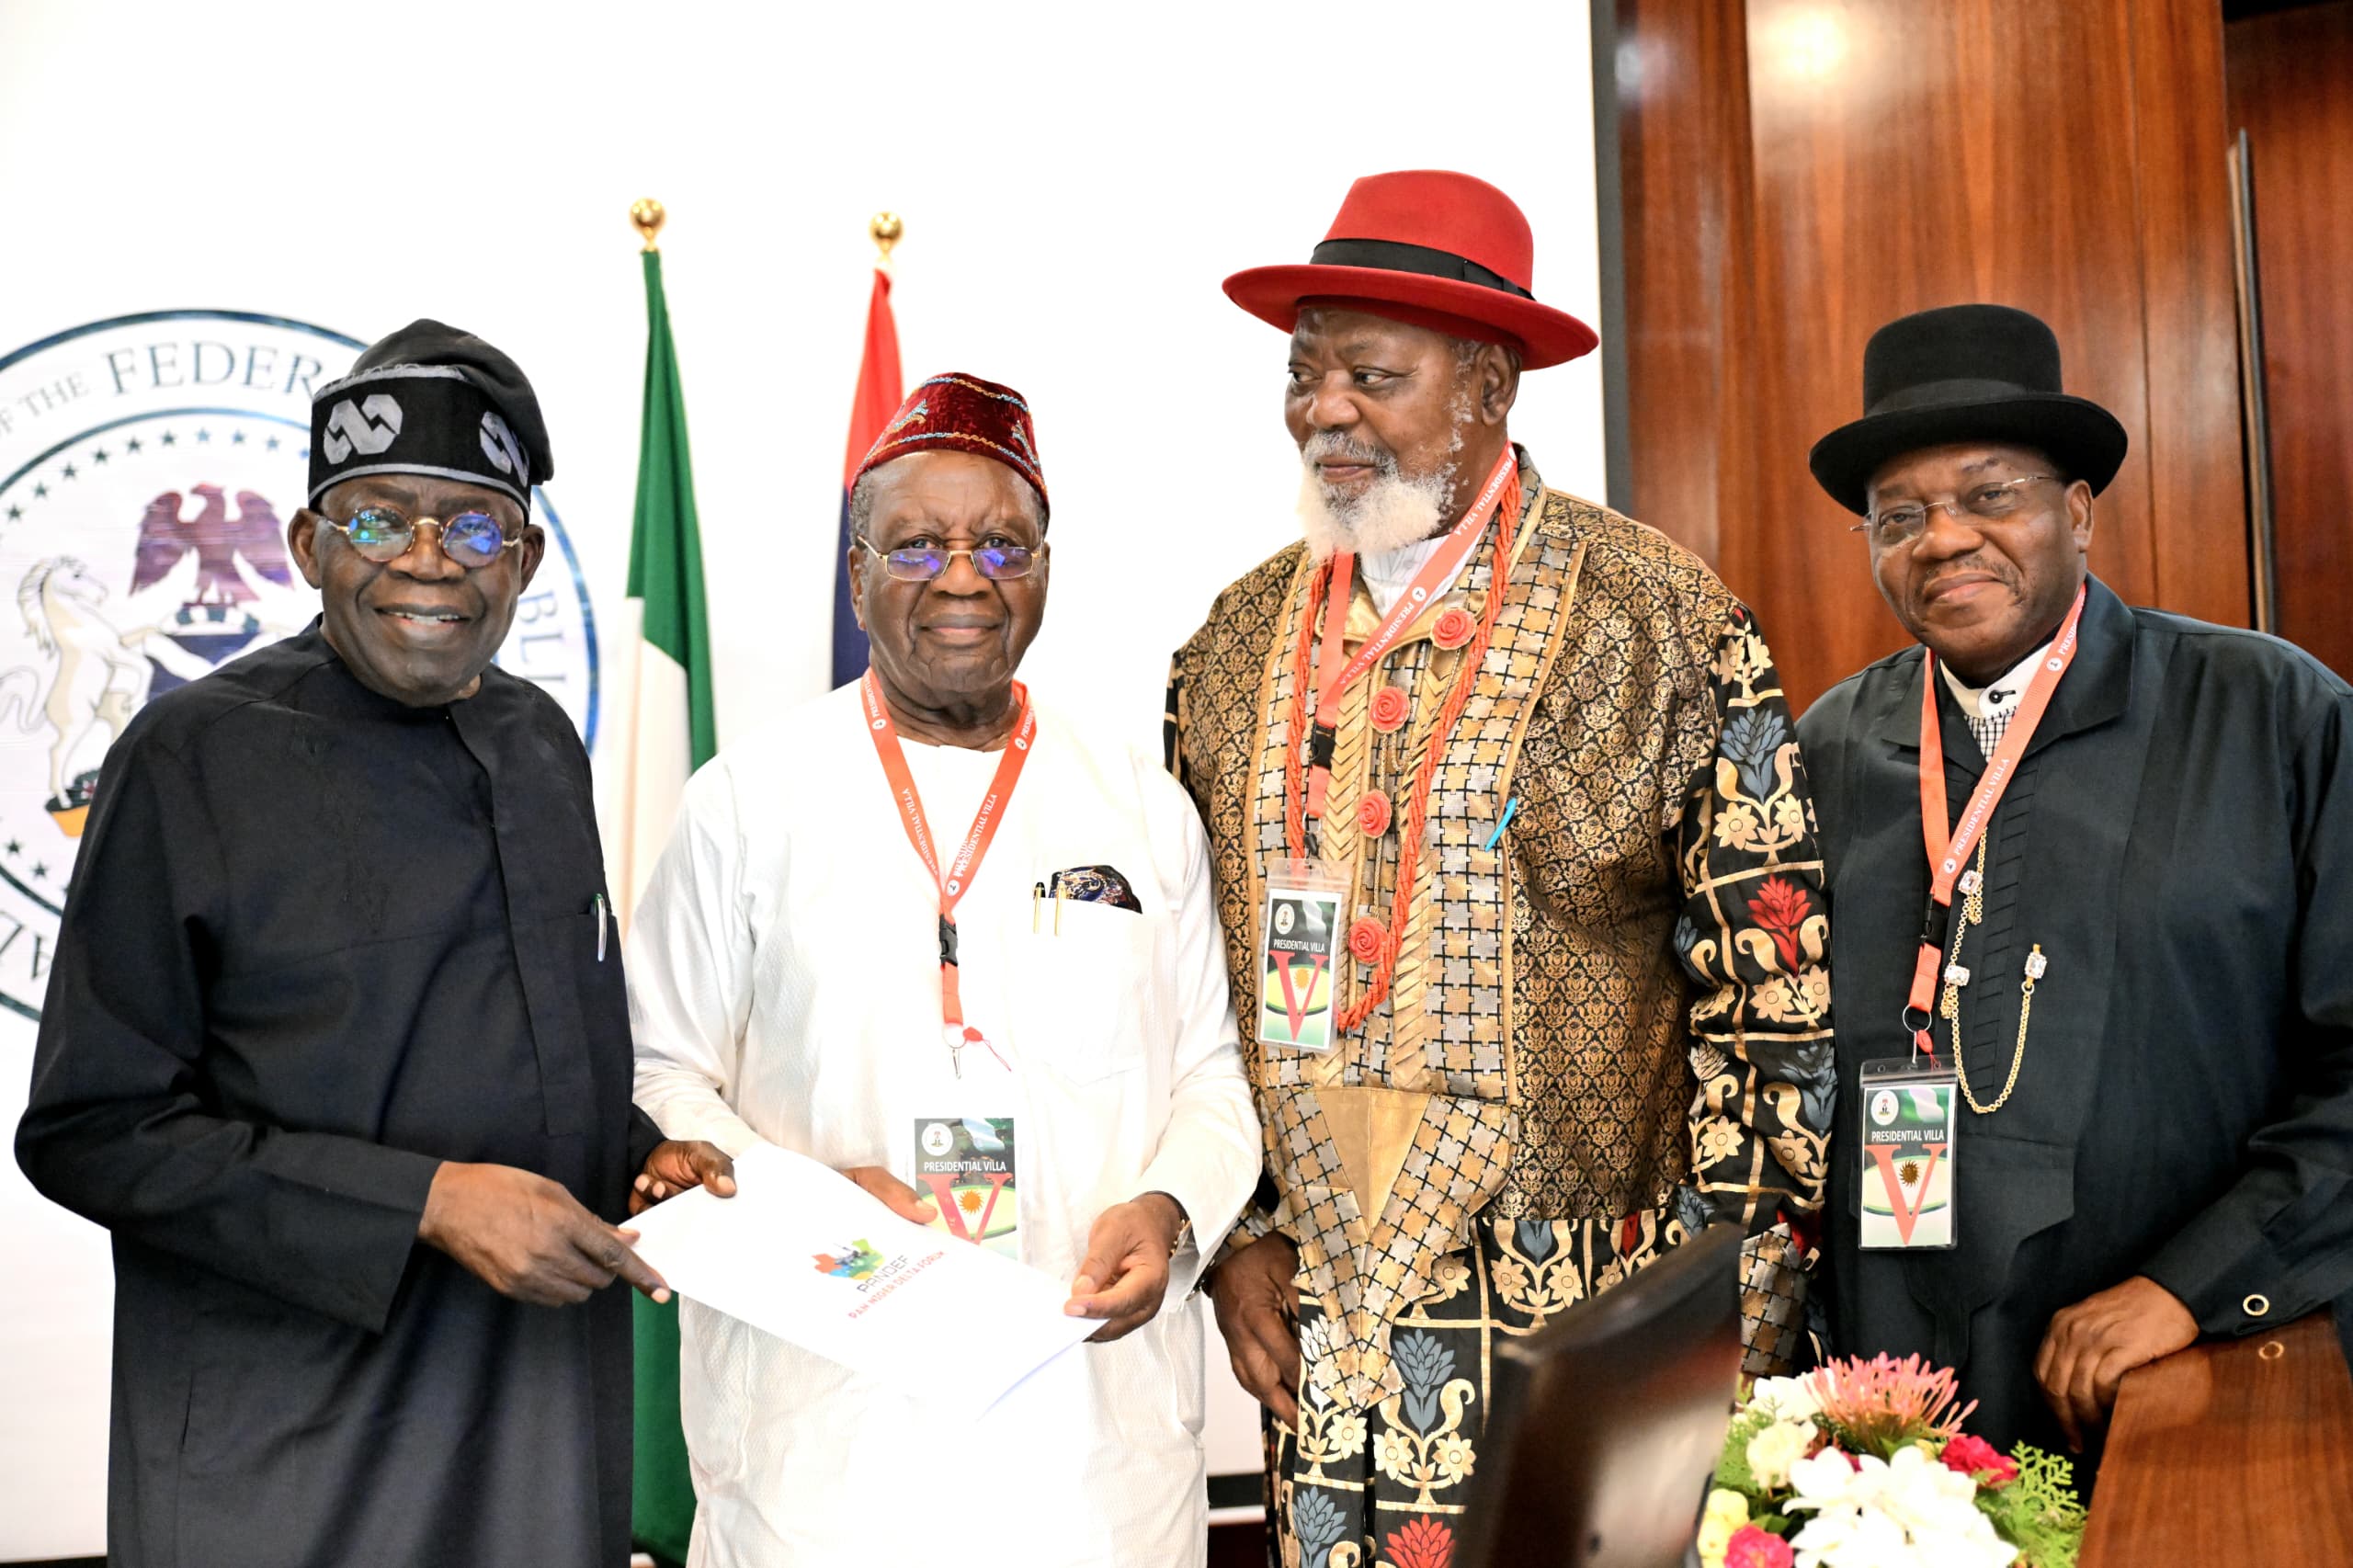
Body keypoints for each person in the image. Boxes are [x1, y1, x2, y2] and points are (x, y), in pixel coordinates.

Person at [1165, 170, 1833, 1563]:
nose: (1323, 408)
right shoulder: (1227, 652)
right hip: (1323, 1339)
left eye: (1373, 372)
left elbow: (1773, 1001)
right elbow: (1188, 997)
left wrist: (1725, 1325)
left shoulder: (1660, 618)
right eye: (1306, 371)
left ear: (1491, 385)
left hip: (1587, 1320)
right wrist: (1234, 1239)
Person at [14, 319, 733, 1567]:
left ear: (518, 558)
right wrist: (427, 1205)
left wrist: (638, 1153)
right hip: (291, 1464)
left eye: (470, 527)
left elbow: (520, 1046)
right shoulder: (190, 759)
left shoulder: (541, 745)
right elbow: (93, 1131)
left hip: (537, 1442)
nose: (427, 563)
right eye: (378, 520)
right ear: (306, 544)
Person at [627, 372, 1260, 1566]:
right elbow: (661, 1070)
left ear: (1046, 568)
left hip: (1094, 1453)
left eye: (1001, 545)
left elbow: (1214, 1074)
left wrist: (1171, 1210)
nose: (964, 578)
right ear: (856, 571)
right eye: (918, 547)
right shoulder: (747, 805)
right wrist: (799, 1202)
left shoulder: (1140, 802)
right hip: (824, 1451)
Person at [1799, 302, 2353, 1473]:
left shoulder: (2271, 716)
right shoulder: (1822, 752)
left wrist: (2190, 1287)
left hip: (2183, 1391)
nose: (1942, 538)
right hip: (1895, 1414)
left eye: (1989, 495)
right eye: (1899, 515)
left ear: (2079, 511)